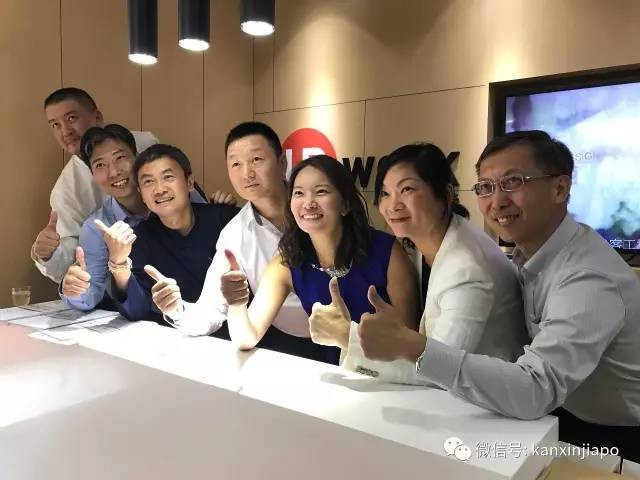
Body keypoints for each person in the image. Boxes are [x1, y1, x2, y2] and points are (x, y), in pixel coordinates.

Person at [355, 131, 640, 461]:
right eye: (486, 187)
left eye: (513, 182)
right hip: (559, 413)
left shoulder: (586, 277)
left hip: (615, 436)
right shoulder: (532, 253)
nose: (497, 201)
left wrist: (416, 347)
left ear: (560, 188)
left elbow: (536, 388)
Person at [309, 143, 528, 379]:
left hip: (484, 394)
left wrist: (347, 337)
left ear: (445, 195)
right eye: (385, 193)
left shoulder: (467, 268)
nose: (393, 205)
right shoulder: (427, 242)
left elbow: (440, 370)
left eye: (407, 189)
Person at [220, 155, 419, 364]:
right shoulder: (287, 261)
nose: (308, 203)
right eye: (299, 193)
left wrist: (348, 335)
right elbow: (246, 338)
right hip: (334, 376)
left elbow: (412, 350)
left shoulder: (387, 252)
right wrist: (237, 305)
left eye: (321, 191)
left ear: (345, 204)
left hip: (391, 377)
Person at [148, 122, 318, 359]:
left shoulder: (316, 209)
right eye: (236, 164)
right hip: (293, 346)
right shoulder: (234, 234)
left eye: (256, 160)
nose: (247, 174)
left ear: (282, 163)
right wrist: (177, 309)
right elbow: (212, 309)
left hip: (350, 334)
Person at [60, 125, 207, 311]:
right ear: (93, 175)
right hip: (146, 315)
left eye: (120, 157)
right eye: (100, 165)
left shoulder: (176, 194)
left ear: (137, 159)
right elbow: (90, 294)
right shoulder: (97, 227)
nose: (114, 172)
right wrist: (74, 289)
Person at [31, 88, 159, 283]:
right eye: (56, 125)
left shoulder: (146, 143)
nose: (65, 131)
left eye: (71, 118)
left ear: (97, 118)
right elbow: (75, 260)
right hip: (117, 278)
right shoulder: (66, 190)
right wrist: (47, 254)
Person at [102, 144, 238, 322]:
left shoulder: (225, 220)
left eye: (168, 177)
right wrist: (119, 263)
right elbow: (136, 311)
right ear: (141, 194)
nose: (160, 189)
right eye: (148, 182)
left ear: (189, 182)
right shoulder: (139, 239)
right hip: (181, 331)